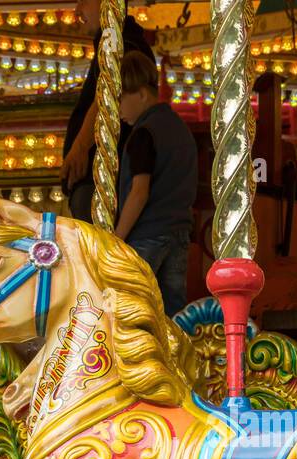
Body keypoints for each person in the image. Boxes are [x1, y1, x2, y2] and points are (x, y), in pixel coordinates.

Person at [113, 51, 197, 319]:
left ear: (140, 93)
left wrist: (117, 238)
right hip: (179, 233)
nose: (119, 109)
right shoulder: (179, 129)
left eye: (121, 98)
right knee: (173, 313)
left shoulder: (143, 133)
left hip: (147, 234)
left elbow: (139, 191)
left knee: (133, 307)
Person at [61, 0, 154, 222]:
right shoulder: (113, 42)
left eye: (84, 1)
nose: (77, 11)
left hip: (106, 182)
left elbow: (109, 94)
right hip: (100, 181)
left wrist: (81, 146)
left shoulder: (122, 42)